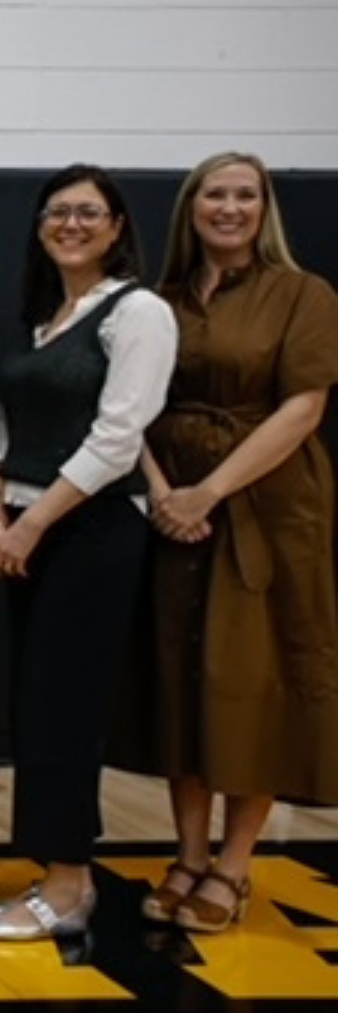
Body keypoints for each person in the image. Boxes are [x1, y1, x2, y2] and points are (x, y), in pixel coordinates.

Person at [111, 152, 338, 933]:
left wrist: (211, 490)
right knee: (182, 680)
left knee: (254, 683)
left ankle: (235, 863)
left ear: (265, 207)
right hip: (173, 507)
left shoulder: (303, 294)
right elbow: (129, 407)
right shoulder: (160, 301)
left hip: (269, 511)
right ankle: (188, 852)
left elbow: (303, 408)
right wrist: (161, 493)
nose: (231, 207)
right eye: (217, 193)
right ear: (192, 206)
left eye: (246, 194)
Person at [0, 165, 176, 940]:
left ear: (118, 226)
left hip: (90, 534)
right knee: (34, 706)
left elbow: (120, 436)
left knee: (64, 710)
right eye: (58, 211)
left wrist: (34, 523)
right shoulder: (48, 318)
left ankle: (67, 888)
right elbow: (7, 423)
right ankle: (54, 870)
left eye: (90, 211)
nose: (72, 223)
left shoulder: (140, 312)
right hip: (28, 528)